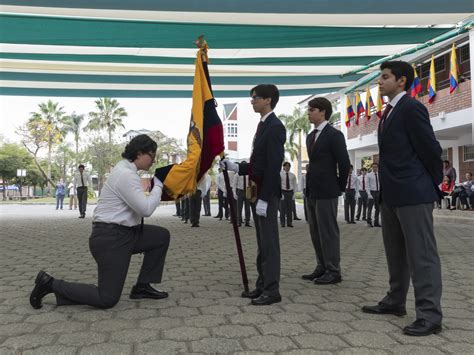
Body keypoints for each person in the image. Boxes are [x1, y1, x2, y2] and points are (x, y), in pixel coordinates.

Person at [29, 134, 170, 309]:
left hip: (126, 233)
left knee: (161, 236)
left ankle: (142, 287)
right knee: (107, 298)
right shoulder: (125, 174)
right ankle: (50, 284)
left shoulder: (126, 170)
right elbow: (146, 209)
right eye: (152, 154)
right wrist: (159, 185)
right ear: (139, 153)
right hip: (111, 240)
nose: (153, 160)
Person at [361, 61, 443, 337]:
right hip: (392, 194)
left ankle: (430, 316)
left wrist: (430, 183)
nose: (379, 82)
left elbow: (431, 150)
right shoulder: (389, 112)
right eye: (380, 77)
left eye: (385, 77)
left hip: (413, 193)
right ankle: (396, 301)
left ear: (402, 81)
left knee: (422, 256)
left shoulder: (411, 108)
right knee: (395, 252)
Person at [221, 84, 286, 305]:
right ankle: (262, 284)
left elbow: (273, 165)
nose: (252, 101)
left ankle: (272, 290)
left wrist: (265, 198)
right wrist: (236, 166)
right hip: (257, 190)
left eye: (255, 97)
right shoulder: (263, 125)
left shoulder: (275, 127)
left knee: (269, 243)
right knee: (262, 242)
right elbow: (258, 164)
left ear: (268, 100)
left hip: (265, 194)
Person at [301, 97, 350, 285]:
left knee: (328, 231)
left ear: (323, 112)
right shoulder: (310, 136)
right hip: (312, 190)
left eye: (312, 109)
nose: (308, 112)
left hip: (328, 190)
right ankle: (321, 266)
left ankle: (333, 270)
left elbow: (344, 163)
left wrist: (339, 185)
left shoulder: (334, 135)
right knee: (315, 231)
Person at [280, 162, 297, 227]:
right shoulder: (280, 175)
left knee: (290, 208)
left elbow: (295, 185)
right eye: (286, 166)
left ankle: (289, 223)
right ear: (283, 167)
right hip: (283, 191)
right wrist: (280, 194)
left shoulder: (292, 175)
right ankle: (282, 223)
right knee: (282, 208)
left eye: (288, 166)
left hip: (290, 192)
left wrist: (294, 194)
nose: (287, 167)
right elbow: (278, 185)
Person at [366, 163, 381, 227]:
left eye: (376, 167)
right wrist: (369, 194)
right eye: (374, 167)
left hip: (378, 192)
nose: (375, 168)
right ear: (372, 167)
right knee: (370, 208)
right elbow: (367, 185)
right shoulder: (369, 175)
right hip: (372, 192)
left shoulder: (380, 175)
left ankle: (376, 222)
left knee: (378, 208)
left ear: (378, 168)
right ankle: (369, 222)